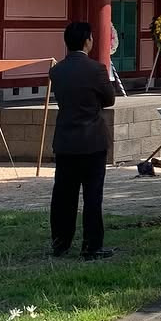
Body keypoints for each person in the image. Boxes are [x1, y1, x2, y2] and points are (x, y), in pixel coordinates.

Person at [49, 21, 116, 259]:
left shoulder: (56, 71)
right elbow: (109, 99)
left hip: (66, 140)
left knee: (63, 196)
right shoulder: (96, 69)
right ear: (87, 41)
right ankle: (91, 246)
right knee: (92, 196)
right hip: (92, 141)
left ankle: (60, 243)